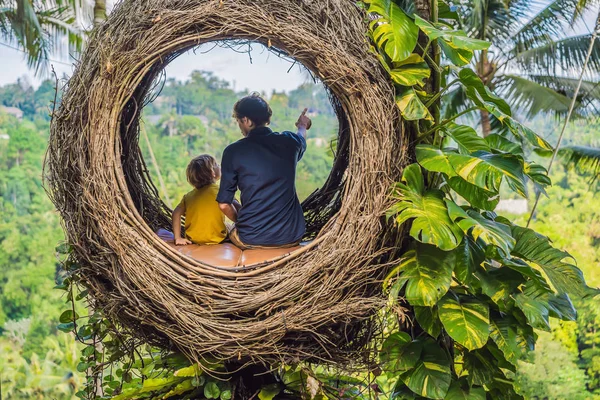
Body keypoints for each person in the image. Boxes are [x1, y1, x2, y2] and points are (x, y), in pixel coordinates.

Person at [217, 92, 312, 250]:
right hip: (291, 236)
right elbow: (301, 137)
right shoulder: (290, 142)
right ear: (267, 118)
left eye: (239, 121)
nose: (239, 126)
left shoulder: (233, 152)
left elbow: (223, 205)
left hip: (251, 239)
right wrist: (302, 125)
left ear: (246, 120)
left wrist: (241, 222)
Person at [172, 154, 227, 246]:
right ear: (212, 172)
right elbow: (233, 207)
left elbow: (176, 213)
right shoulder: (220, 191)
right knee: (230, 227)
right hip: (217, 239)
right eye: (216, 164)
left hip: (194, 239)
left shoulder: (188, 196)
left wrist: (178, 238)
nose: (219, 166)